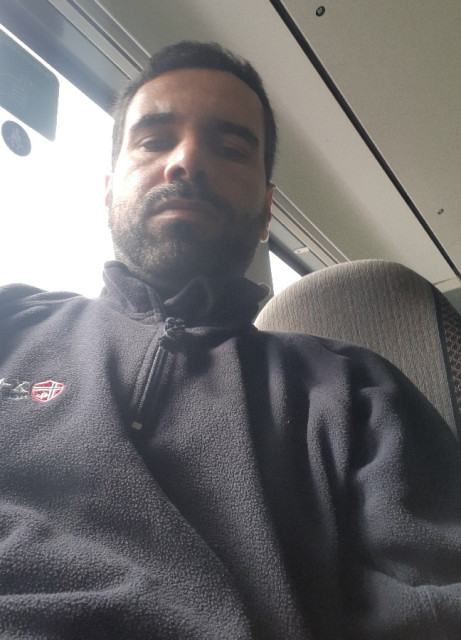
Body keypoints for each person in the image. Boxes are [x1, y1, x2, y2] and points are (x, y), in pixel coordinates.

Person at [0, 41, 460, 640]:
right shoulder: (13, 321)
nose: (186, 160)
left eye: (231, 149)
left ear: (267, 211)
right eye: (154, 140)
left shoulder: (353, 390)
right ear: (109, 190)